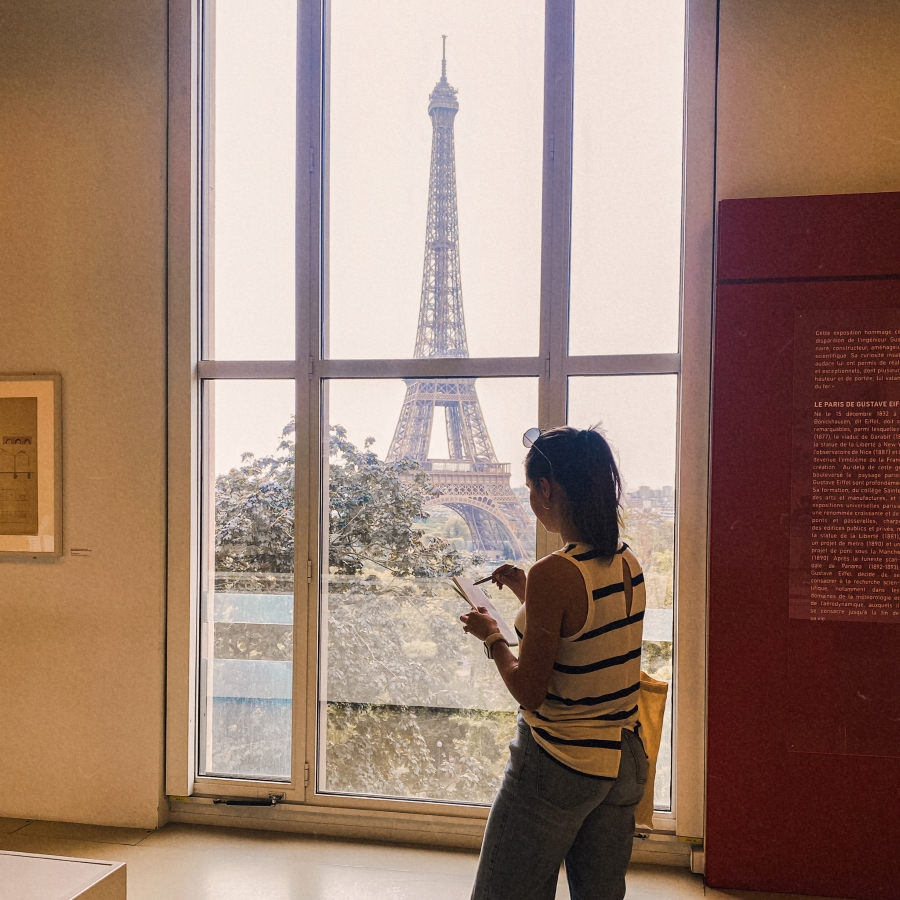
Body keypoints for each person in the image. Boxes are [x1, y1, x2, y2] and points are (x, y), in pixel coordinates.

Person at [461, 426, 648, 900]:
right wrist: (528, 593)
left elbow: (530, 690)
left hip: (558, 761)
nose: (528, 499)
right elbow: (586, 634)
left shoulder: (555, 573)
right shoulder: (628, 562)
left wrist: (494, 637)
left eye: (529, 489)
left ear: (547, 487)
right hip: (622, 759)